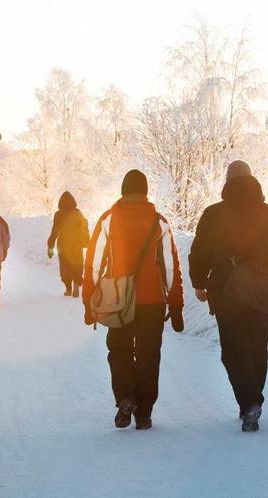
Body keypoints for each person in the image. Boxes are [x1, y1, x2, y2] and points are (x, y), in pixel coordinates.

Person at [189, 160, 268, 432]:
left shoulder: (213, 214)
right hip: (265, 292)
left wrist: (199, 282)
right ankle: (252, 402)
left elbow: (199, 252)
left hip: (226, 292)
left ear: (227, 182)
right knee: (256, 349)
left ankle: (249, 402)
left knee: (233, 351)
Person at [83, 169, 184, 431]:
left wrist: (88, 301)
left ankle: (126, 397)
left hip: (118, 298)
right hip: (152, 300)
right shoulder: (159, 221)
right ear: (146, 192)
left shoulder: (109, 220)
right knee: (150, 354)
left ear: (123, 191)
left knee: (119, 350)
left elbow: (94, 264)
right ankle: (145, 413)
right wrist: (175, 304)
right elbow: (170, 266)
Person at [47, 191, 90, 297]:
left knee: (65, 266)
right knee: (77, 264)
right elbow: (84, 226)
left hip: (63, 244)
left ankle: (68, 288)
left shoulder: (59, 214)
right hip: (76, 243)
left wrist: (50, 245)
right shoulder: (78, 213)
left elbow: (55, 231)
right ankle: (76, 283)